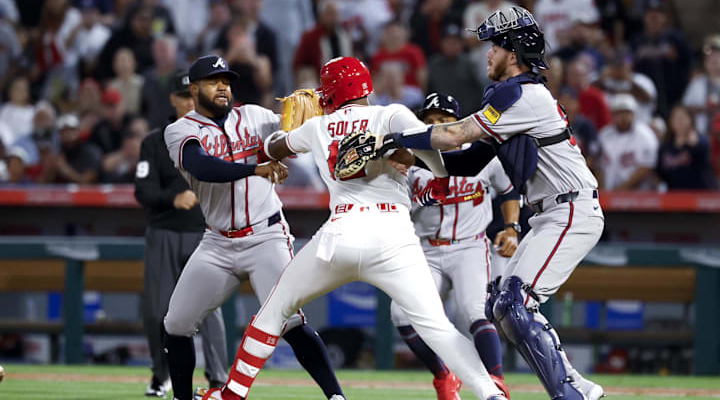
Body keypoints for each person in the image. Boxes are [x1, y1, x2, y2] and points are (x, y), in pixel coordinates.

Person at [203, 57, 508, 400]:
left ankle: (231, 394)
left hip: (342, 233)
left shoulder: (318, 126)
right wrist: (438, 176)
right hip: (395, 236)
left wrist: (287, 133)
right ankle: (490, 394)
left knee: (274, 311)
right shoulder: (389, 113)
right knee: (438, 328)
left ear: (330, 91)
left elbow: (273, 146)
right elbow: (428, 140)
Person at [368, 6, 605, 400]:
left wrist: (396, 138)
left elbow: (454, 135)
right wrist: (413, 157)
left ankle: (569, 394)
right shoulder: (511, 95)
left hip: (570, 209)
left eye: (494, 46)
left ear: (513, 53)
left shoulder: (524, 94)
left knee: (515, 303)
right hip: (552, 212)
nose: (487, 54)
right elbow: (471, 160)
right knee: (502, 305)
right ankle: (578, 387)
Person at [162, 55, 344, 400]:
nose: (222, 87)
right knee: (176, 324)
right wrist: (254, 168)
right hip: (217, 243)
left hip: (266, 237)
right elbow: (202, 167)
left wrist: (323, 117)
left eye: (226, 81)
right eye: (214, 81)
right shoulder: (180, 130)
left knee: (289, 321)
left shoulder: (257, 117)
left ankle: (336, 396)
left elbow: (295, 138)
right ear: (194, 88)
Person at [389, 92, 520, 400]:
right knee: (401, 315)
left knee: (474, 312)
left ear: (457, 123)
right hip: (426, 248)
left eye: (444, 120)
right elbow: (396, 207)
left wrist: (512, 227)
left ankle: (496, 383)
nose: (436, 125)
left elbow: (509, 191)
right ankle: (444, 375)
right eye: (430, 120)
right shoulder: (411, 159)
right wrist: (419, 198)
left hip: (469, 247)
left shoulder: (481, 154)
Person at [134, 71, 229, 398]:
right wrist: (171, 198)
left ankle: (219, 381)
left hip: (206, 233)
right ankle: (161, 376)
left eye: (193, 95)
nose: (190, 102)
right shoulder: (154, 141)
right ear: (174, 99)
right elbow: (142, 190)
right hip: (164, 231)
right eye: (185, 96)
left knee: (210, 311)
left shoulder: (216, 134)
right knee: (157, 311)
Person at [597, 94, 658, 191]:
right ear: (612, 115)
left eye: (627, 113)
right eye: (619, 113)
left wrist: (620, 190)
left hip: (638, 196)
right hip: (608, 194)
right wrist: (602, 190)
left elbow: (646, 167)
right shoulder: (604, 134)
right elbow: (598, 165)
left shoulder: (645, 135)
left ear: (634, 114)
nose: (623, 117)